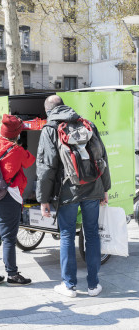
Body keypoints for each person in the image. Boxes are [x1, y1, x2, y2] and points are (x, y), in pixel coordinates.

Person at [36, 95, 111, 298]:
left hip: (67, 190)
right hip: (93, 187)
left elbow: (46, 167)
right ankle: (94, 285)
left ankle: (69, 286)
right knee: (92, 234)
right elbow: (102, 157)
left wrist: (43, 199)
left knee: (67, 235)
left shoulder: (50, 129)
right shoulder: (87, 124)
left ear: (48, 110)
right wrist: (105, 188)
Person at [0, 114, 35, 286]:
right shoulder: (17, 150)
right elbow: (29, 161)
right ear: (17, 134)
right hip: (8, 197)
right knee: (9, 238)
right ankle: (12, 274)